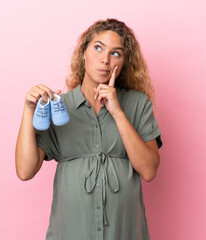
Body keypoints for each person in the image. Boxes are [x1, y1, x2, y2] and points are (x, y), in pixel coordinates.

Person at [15, 18, 163, 240]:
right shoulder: (59, 107)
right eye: (98, 48)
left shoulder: (137, 104)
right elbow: (25, 171)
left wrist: (117, 113)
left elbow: (149, 170)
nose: (105, 59)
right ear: (83, 53)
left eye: (116, 53)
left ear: (123, 62)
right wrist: (28, 110)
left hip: (125, 232)